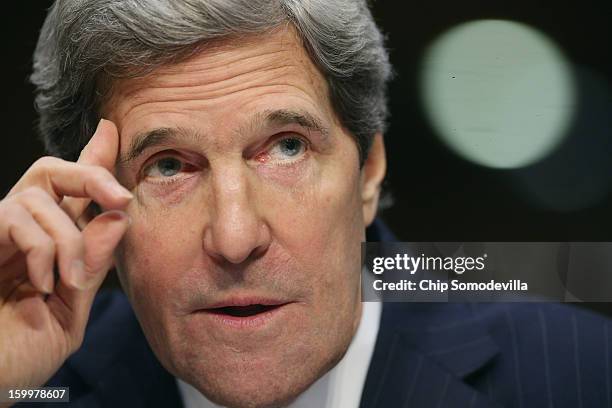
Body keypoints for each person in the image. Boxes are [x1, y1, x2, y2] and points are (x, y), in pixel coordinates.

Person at [1, 1, 611, 407]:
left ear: (368, 169)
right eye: (167, 166)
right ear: (86, 204)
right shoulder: (40, 390)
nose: (235, 238)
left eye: (286, 148)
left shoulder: (580, 373)